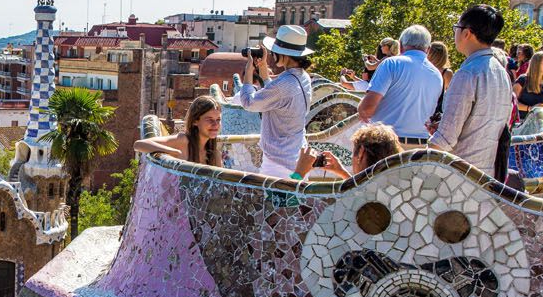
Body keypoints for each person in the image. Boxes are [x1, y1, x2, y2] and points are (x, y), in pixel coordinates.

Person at [428, 5, 513, 174]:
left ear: (467, 33)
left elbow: (445, 139)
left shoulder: (467, 73)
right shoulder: (501, 72)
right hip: (486, 173)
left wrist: (420, 163)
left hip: (459, 175)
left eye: (456, 28)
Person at [237, 25, 313, 178]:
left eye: (274, 52)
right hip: (297, 157)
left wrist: (249, 70)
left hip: (279, 164)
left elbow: (248, 102)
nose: (272, 54)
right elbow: (275, 93)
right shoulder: (302, 77)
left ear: (283, 54)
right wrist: (263, 66)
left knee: (273, 202)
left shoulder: (285, 83)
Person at [356, 25, 443, 140]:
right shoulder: (437, 74)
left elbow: (367, 109)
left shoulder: (391, 63)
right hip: (420, 146)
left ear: (401, 45)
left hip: (386, 143)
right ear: (429, 49)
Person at [133, 94, 222, 167]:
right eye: (210, 119)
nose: (215, 124)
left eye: (218, 119)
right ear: (195, 121)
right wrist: (172, 152)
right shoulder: (184, 140)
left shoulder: (214, 154)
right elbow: (139, 144)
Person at [294, 123, 403, 181]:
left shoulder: (345, 200)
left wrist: (299, 173)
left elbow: (288, 208)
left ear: (361, 153)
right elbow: (361, 188)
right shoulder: (392, 187)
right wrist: (342, 172)